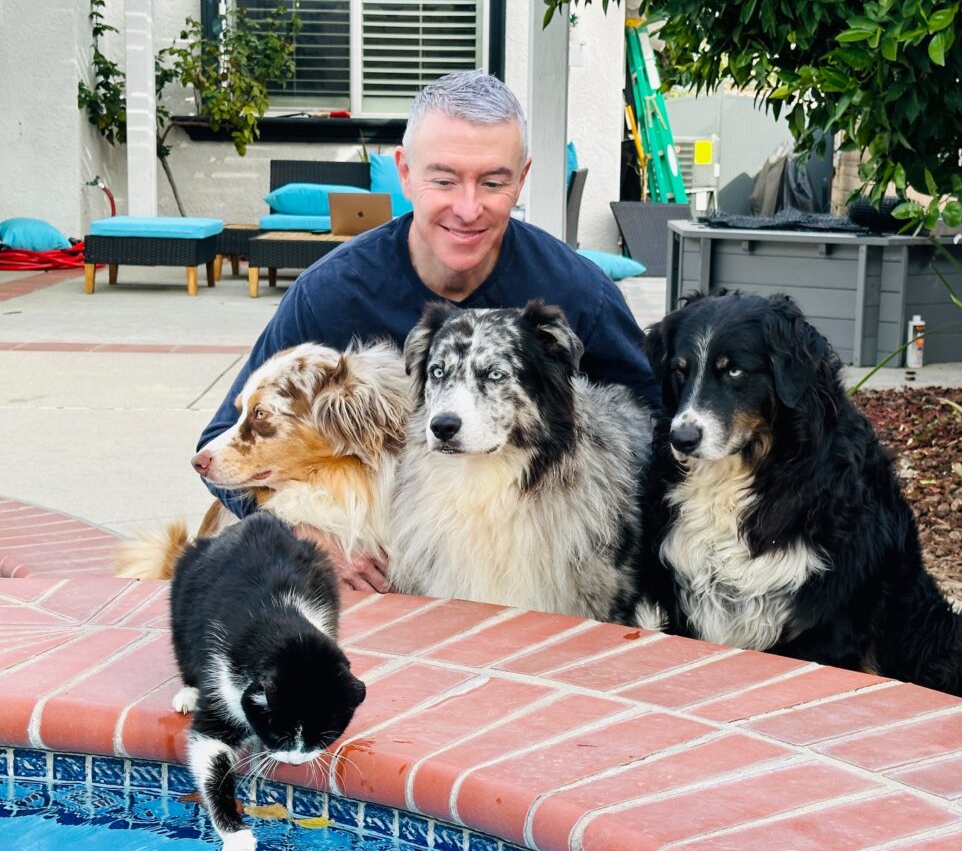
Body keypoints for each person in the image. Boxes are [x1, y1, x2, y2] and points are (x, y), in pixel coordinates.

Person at [198, 70, 659, 591]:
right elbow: (223, 443)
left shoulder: (578, 293)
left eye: (493, 181)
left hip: (542, 564)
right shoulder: (331, 293)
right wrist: (305, 534)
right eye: (443, 180)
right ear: (405, 172)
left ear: (522, 178)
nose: (467, 208)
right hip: (384, 559)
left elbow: (654, 427)